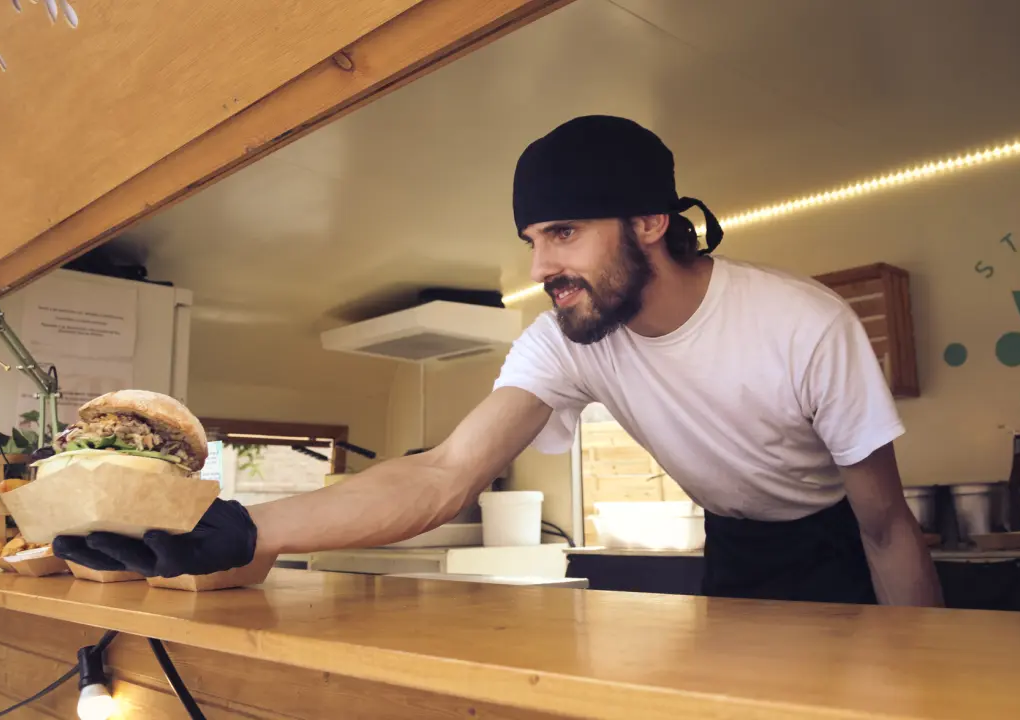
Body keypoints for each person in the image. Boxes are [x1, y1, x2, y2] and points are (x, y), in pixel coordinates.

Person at [56, 116, 943, 607]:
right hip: (734, 549)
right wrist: (246, 529)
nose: (540, 267)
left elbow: (887, 528)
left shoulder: (803, 325)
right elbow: (443, 474)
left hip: (840, 547)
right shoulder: (566, 339)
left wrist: (926, 672)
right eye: (531, 240)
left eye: (563, 232)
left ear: (649, 222)